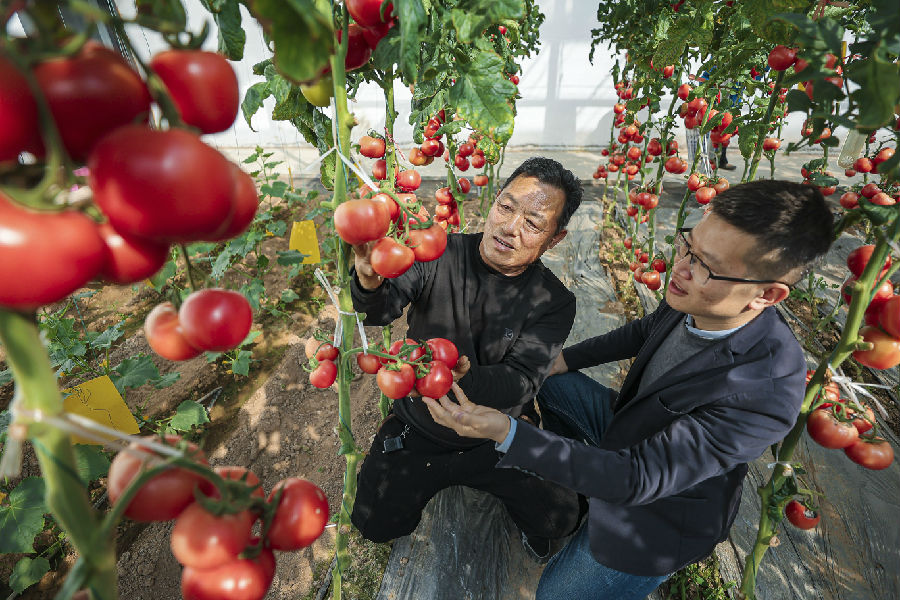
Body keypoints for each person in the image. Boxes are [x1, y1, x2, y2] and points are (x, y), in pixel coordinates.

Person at [423, 179, 834, 599]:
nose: (681, 268)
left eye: (705, 266)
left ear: (766, 294)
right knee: (549, 380)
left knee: (555, 595)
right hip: (629, 430)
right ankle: (580, 475)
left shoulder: (762, 391)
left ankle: (582, 486)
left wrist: (506, 433)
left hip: (657, 513)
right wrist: (558, 361)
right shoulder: (697, 298)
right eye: (687, 246)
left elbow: (637, 476)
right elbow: (643, 331)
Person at [349, 156, 584, 561]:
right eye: (506, 207)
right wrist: (369, 282)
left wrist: (465, 379)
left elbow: (523, 380)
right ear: (494, 201)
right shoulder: (436, 252)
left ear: (554, 240)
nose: (510, 228)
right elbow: (379, 311)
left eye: (533, 223)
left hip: (494, 435)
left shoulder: (554, 300)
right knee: (373, 523)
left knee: (561, 516)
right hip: (420, 426)